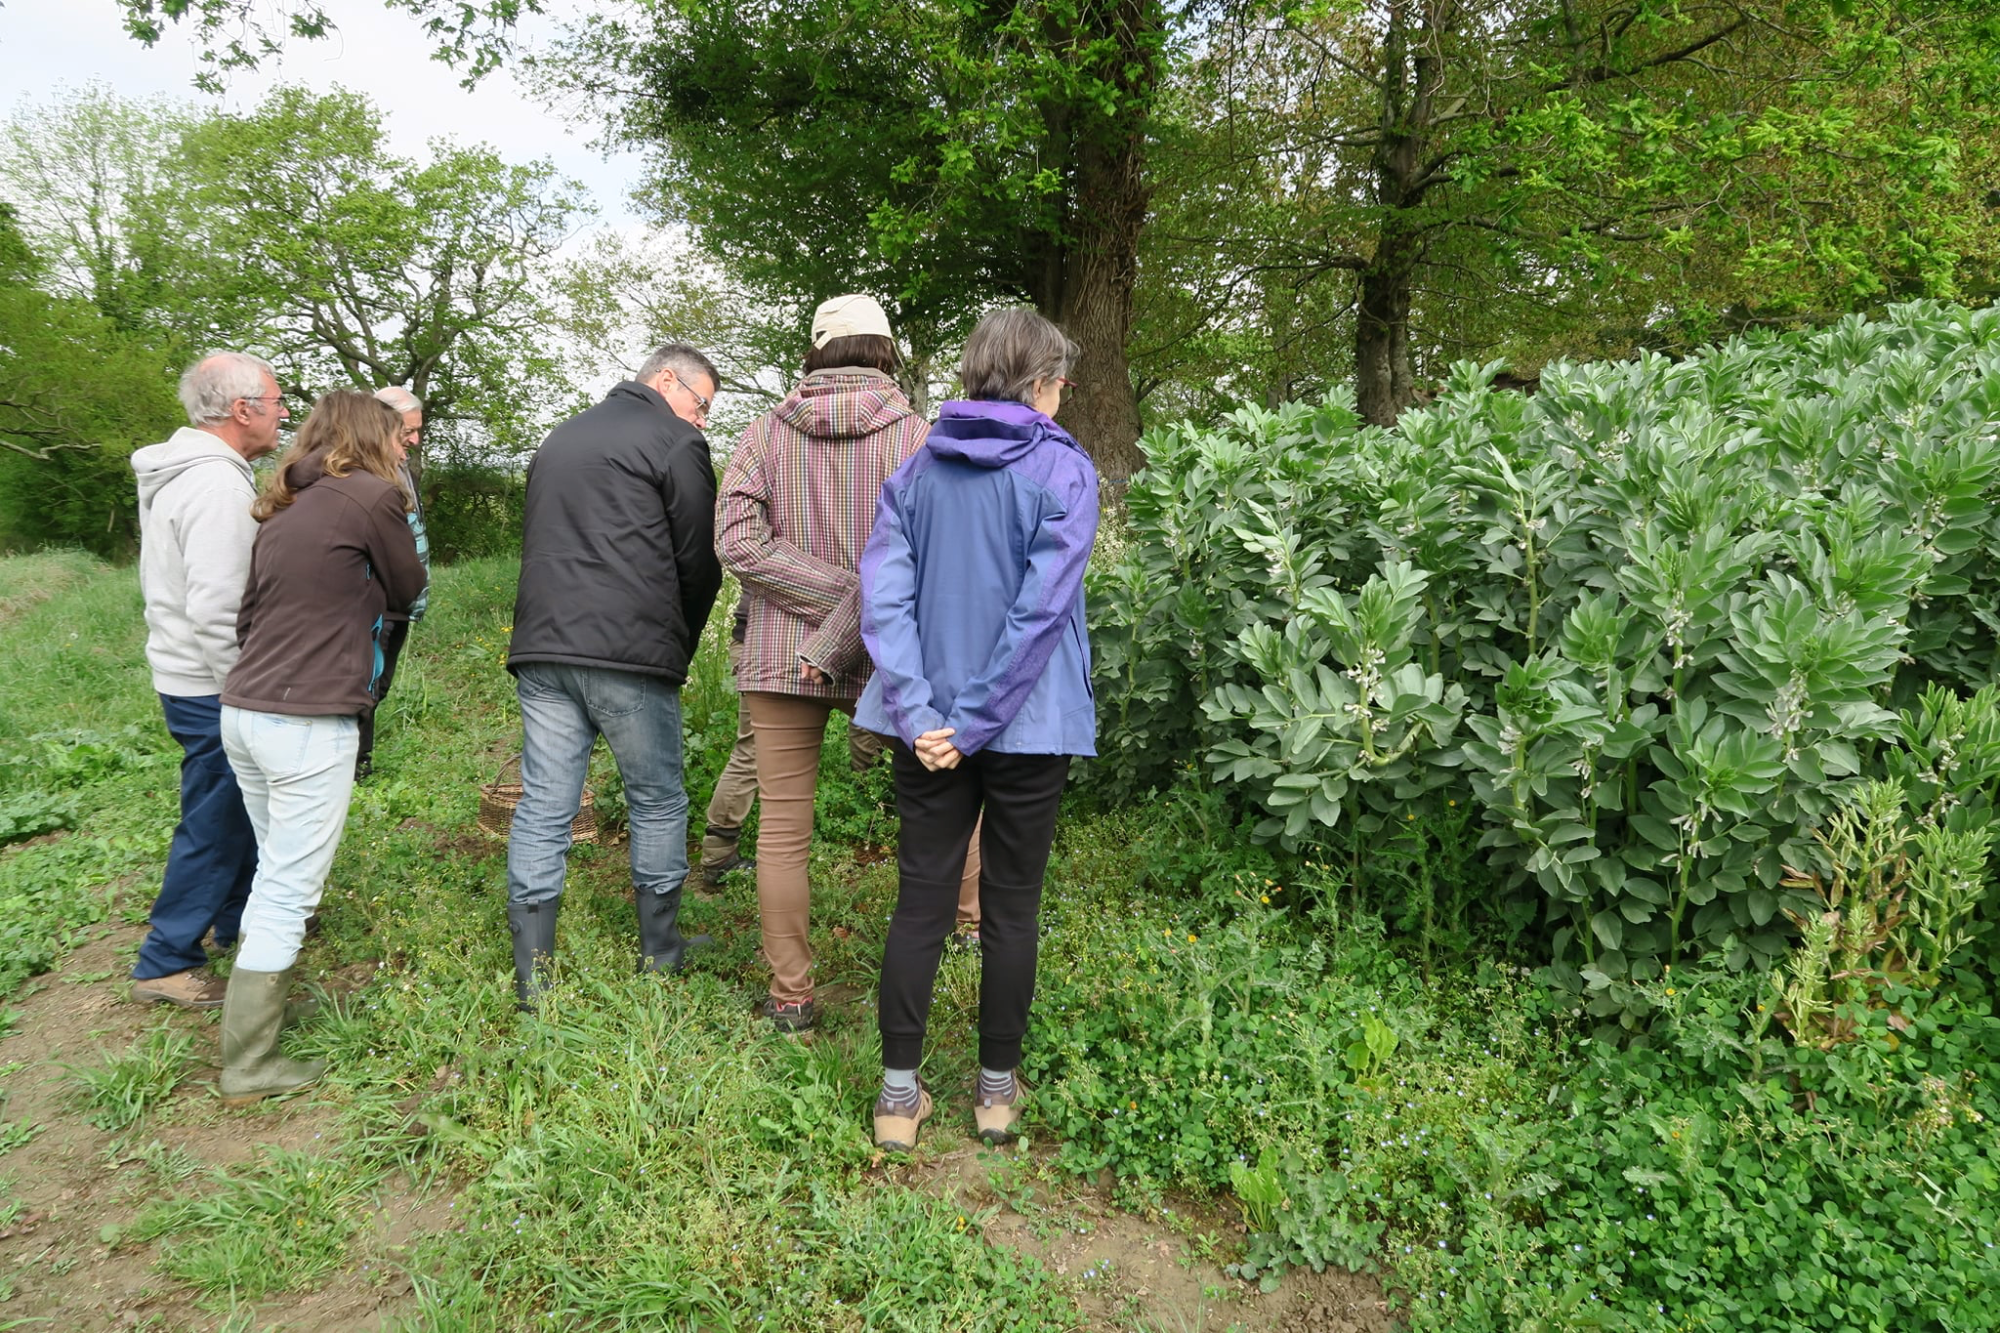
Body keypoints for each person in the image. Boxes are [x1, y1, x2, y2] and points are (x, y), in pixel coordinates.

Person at [856, 308, 1098, 1151]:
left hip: (928, 733)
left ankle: (897, 1100)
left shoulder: (916, 470)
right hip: (1029, 726)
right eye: (1062, 380)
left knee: (920, 901)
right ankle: (994, 1095)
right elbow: (1040, 613)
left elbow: (882, 599)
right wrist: (979, 720)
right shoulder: (1063, 474)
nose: (1063, 395)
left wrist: (925, 716)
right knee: (1011, 907)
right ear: (1039, 384)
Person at [717, 293, 960, 1032]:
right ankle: (974, 936)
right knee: (943, 807)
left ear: (815, 351)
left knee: (784, 829)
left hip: (778, 653)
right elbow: (935, 554)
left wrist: (820, 610)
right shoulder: (922, 438)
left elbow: (736, 543)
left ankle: (791, 996)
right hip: (896, 657)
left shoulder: (762, 435)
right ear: (886, 351)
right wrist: (859, 596)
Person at [216, 392, 426, 1104]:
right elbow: (410, 585)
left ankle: (262, 1008)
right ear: (371, 437)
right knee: (287, 886)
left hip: (244, 707)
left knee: (276, 863)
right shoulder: (372, 497)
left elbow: (249, 613)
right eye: (398, 438)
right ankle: (249, 1062)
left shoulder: (283, 504)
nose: (404, 450)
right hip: (308, 718)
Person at [504, 343, 724, 1007]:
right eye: (703, 403)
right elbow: (700, 559)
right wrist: (676, 643)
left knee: (545, 803)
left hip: (543, 648)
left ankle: (532, 978)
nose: (704, 420)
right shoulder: (674, 442)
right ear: (665, 380)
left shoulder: (559, 437)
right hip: (630, 653)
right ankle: (660, 951)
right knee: (657, 799)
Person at [127, 352, 288, 1009]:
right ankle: (165, 959)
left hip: (187, 674)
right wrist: (244, 694)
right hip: (211, 683)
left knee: (234, 807)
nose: (284, 413)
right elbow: (220, 606)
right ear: (243, 409)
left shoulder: (194, 472)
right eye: (277, 402)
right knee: (217, 817)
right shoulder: (217, 487)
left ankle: (237, 921)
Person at [355, 386, 431, 780]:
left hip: (401, 598)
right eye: (408, 431)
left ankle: (356, 755)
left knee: (380, 682)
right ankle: (356, 763)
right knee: (365, 680)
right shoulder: (362, 471)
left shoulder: (399, 466)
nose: (414, 441)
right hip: (375, 599)